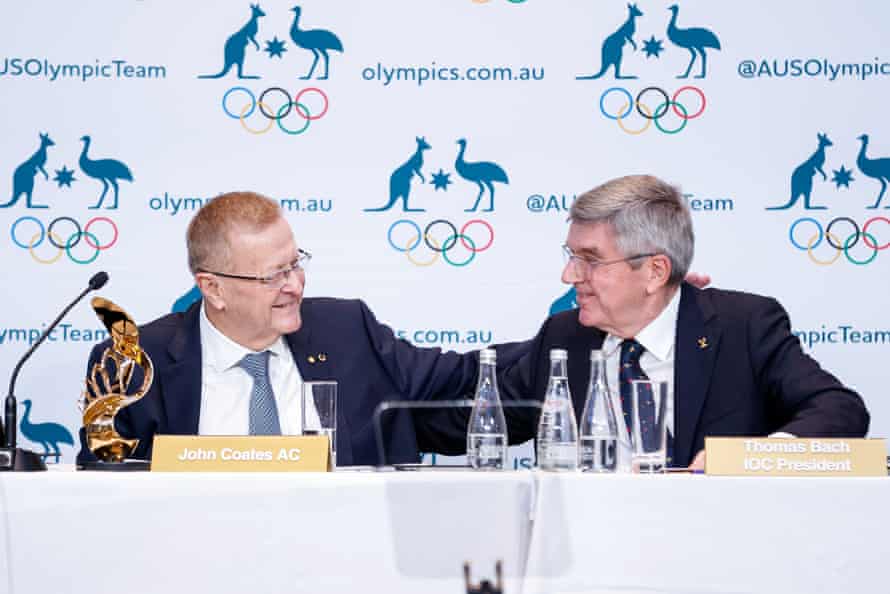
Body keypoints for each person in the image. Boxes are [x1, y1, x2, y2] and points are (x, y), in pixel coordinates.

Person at [77, 191, 478, 466]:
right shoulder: (131, 362)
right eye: (273, 276)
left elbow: (463, 381)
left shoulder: (348, 332)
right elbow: (103, 493)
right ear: (213, 288)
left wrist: (544, 352)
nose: (295, 284)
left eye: (295, 264)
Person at [497, 174, 869, 469]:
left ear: (655, 271)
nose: (569, 275)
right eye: (571, 256)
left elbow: (839, 410)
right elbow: (470, 413)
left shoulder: (743, 327)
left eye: (590, 260)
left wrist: (751, 461)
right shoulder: (565, 337)